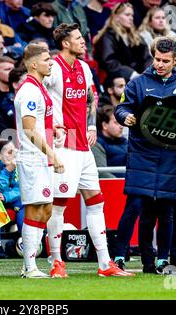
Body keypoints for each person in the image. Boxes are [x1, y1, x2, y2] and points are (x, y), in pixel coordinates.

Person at [44, 23, 133, 278]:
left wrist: (92, 125)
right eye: (78, 39)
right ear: (65, 43)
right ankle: (56, 261)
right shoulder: (52, 69)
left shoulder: (84, 68)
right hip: (63, 145)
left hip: (84, 146)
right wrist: (50, 126)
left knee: (96, 202)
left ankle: (105, 263)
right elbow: (36, 95)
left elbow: (90, 98)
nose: (83, 42)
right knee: (59, 205)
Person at [114, 36, 176, 274]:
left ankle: (161, 260)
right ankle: (118, 256)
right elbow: (121, 106)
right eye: (157, 59)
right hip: (142, 153)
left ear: (175, 60)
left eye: (165, 61)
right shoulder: (137, 83)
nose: (159, 64)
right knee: (135, 205)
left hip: (170, 156)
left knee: (167, 210)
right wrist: (123, 116)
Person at [14, 44, 63, 278]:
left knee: (45, 210)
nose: (50, 62)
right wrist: (51, 153)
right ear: (33, 64)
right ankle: (29, 266)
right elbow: (29, 129)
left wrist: (51, 126)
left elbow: (37, 123)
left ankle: (29, 262)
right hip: (34, 157)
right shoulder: (30, 91)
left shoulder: (38, 88)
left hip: (41, 157)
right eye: (46, 59)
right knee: (35, 209)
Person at [93, 2, 152, 81]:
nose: (131, 18)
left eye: (132, 15)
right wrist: (131, 74)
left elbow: (147, 58)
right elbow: (108, 61)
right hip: (117, 81)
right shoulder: (108, 36)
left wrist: (146, 74)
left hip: (140, 79)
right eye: (127, 15)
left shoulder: (135, 37)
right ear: (116, 17)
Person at [92, 105, 127, 178]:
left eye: (121, 122)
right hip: (114, 186)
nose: (121, 126)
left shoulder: (126, 142)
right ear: (105, 125)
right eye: (116, 123)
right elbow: (102, 173)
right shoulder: (96, 144)